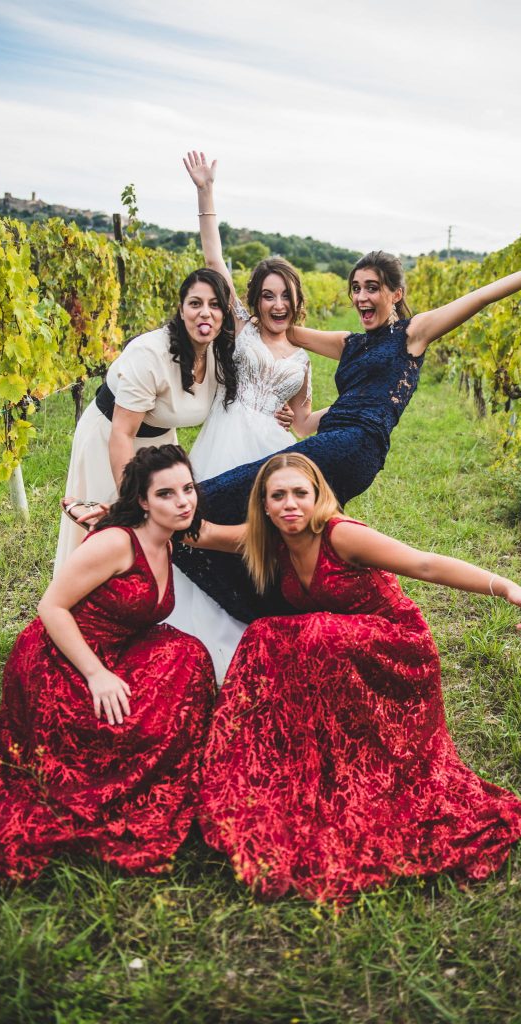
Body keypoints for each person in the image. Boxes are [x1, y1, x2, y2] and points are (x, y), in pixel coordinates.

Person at [171, 214, 521, 625]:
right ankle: (271, 612)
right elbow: (277, 329)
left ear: (395, 293)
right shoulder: (350, 343)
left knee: (230, 492)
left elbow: (483, 295)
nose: (362, 297)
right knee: (282, 529)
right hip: (341, 440)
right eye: (356, 288)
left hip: (354, 446)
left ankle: (162, 523)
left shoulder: (411, 336)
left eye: (373, 287)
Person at [194, 453, 521, 901]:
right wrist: (123, 518)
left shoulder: (341, 535)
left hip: (396, 648)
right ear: (264, 505)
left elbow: (425, 564)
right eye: (279, 496)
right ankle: (290, 760)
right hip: (344, 654)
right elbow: (203, 533)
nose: (290, 504)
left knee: (301, 634)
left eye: (300, 493)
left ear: (318, 497)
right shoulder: (268, 540)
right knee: (272, 636)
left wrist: (508, 588)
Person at [0, 446, 216, 881]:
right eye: (167, 494)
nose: (183, 501)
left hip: (117, 646)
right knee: (120, 730)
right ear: (144, 502)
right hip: (60, 658)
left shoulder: (167, 536)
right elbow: (51, 607)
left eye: (188, 489)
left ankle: (166, 762)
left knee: (188, 655)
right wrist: (96, 674)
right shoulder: (116, 543)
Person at [162, 153, 329, 679]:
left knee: (250, 540)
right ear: (255, 300)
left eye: (285, 296)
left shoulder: (303, 361)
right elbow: (214, 261)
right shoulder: (244, 329)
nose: (276, 304)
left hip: (269, 453)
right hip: (226, 435)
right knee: (198, 524)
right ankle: (183, 627)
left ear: (296, 300)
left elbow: (302, 422)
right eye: (267, 295)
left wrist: (351, 413)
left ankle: (241, 633)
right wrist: (206, 194)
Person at [54, 267, 239, 572]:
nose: (205, 313)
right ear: (181, 310)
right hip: (111, 436)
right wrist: (130, 501)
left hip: (159, 443)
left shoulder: (219, 355)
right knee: (112, 533)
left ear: (224, 313)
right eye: (195, 303)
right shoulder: (149, 354)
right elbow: (122, 433)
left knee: (156, 534)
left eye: (214, 304)